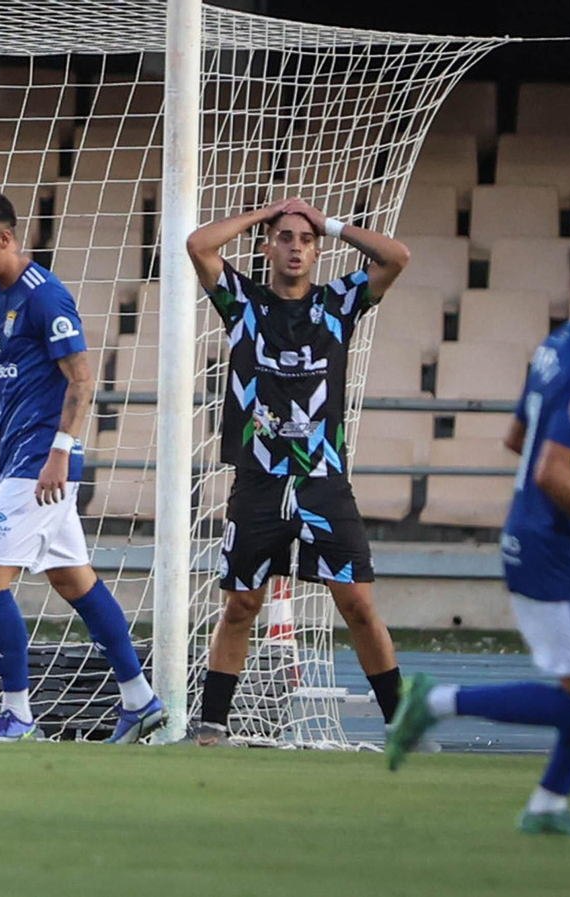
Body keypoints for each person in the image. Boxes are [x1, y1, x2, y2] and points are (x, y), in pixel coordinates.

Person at [184, 197, 410, 744]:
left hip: (322, 483)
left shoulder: (339, 303)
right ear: (268, 246)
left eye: (305, 240)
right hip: (258, 481)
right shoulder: (243, 303)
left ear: (317, 251)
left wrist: (325, 221)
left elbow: (397, 256)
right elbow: (199, 245)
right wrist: (265, 213)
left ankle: (403, 723)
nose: (295, 247)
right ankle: (212, 722)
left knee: (356, 601)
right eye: (284, 237)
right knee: (242, 604)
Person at [0, 189, 164, 743]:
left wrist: (61, 450)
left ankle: (17, 716)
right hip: (19, 454)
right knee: (73, 579)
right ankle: (140, 699)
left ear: (6, 239)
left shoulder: (46, 298)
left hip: (43, 459)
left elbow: (82, 379)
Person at [387, 241, 570, 836]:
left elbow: (518, 437)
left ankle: (548, 804)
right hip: (551, 551)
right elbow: (550, 469)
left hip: (543, 538)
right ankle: (437, 703)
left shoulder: (556, 346)